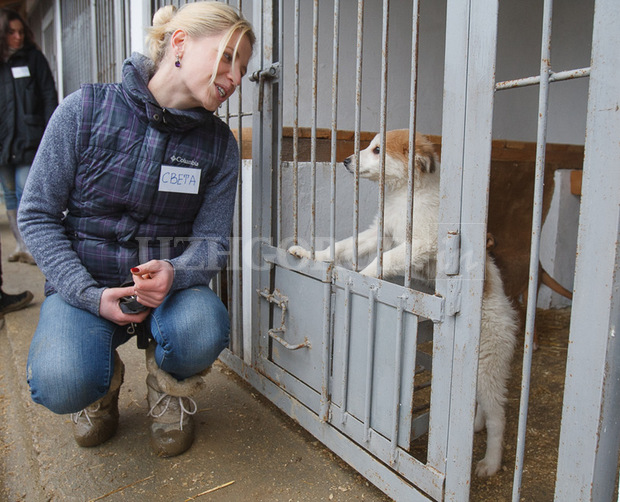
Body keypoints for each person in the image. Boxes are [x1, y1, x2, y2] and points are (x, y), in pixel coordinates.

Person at [18, 2, 254, 458]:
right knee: (61, 381)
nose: (236, 77)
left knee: (204, 327)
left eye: (243, 68)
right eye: (227, 57)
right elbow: (37, 215)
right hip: (84, 281)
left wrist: (175, 272)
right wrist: (87, 294)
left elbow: (212, 244)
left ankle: (169, 389)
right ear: (180, 43)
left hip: (170, 289)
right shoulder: (85, 109)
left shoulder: (219, 145)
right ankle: (97, 389)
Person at [0, 8, 57, 265]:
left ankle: (34, 247)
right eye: (11, 32)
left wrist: (50, 132)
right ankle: (20, 245)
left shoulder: (34, 59)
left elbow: (48, 95)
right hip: (3, 141)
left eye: (21, 31)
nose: (17, 37)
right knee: (9, 194)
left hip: (30, 138)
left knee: (26, 191)